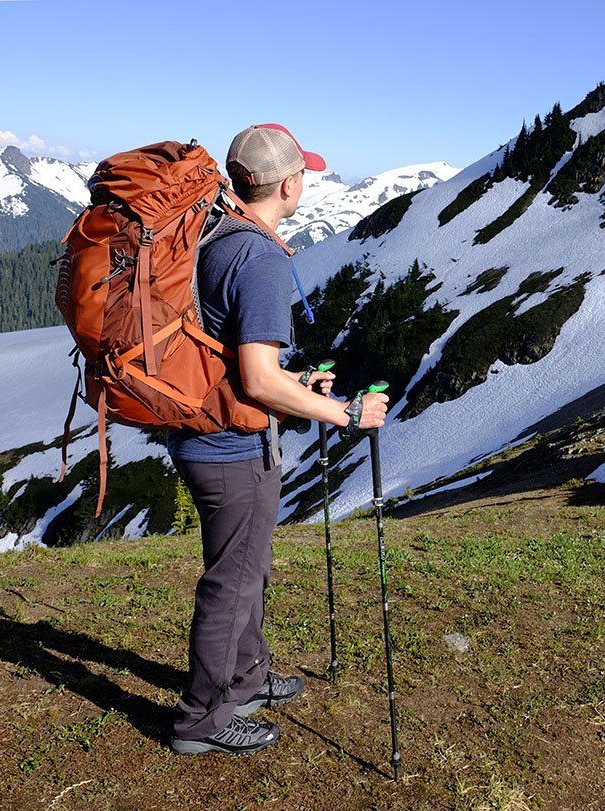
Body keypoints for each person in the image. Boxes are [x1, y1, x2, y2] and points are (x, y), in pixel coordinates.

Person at [167, 124, 388, 755]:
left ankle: (247, 675)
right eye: (303, 176)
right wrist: (345, 415)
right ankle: (202, 720)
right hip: (231, 451)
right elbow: (259, 380)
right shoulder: (260, 257)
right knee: (232, 583)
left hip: (207, 437)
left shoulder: (215, 236)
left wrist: (297, 382)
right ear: (288, 183)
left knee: (246, 570)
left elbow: (235, 357)